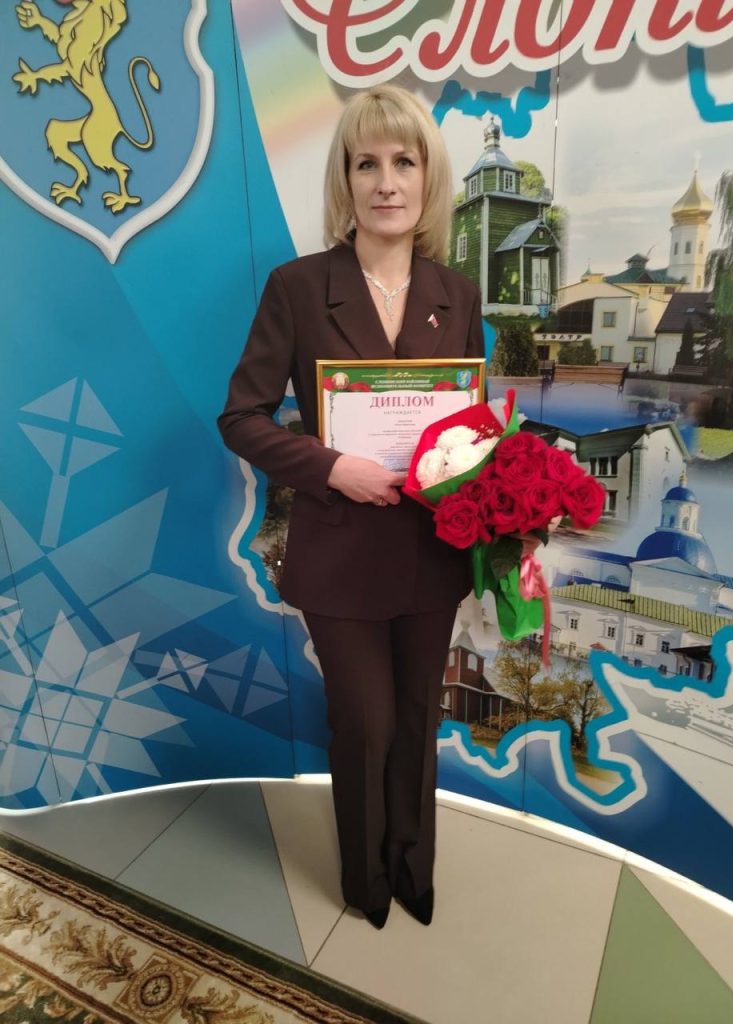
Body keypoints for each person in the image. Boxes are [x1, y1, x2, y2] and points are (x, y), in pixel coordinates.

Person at [218, 84, 484, 929]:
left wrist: (503, 489)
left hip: (432, 549)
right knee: (365, 723)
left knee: (417, 719)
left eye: (404, 162)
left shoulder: (457, 292)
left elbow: (473, 425)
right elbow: (242, 417)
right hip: (340, 550)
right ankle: (367, 883)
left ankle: (413, 868)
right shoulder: (298, 288)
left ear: (428, 177)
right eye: (366, 163)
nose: (386, 181)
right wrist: (332, 467)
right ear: (345, 179)